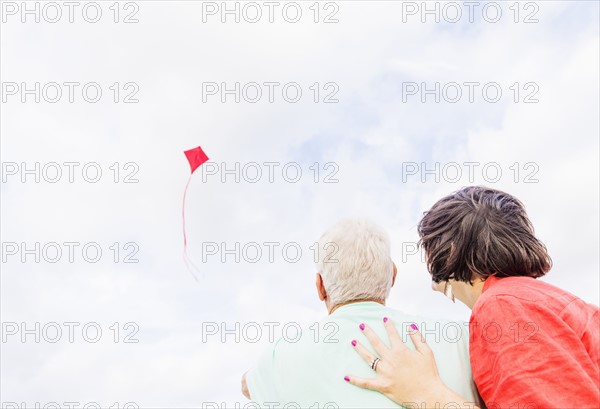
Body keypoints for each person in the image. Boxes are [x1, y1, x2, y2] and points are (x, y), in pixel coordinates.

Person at [346, 186, 600, 409]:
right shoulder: (547, 300)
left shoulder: (503, 305)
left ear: (450, 251)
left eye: (430, 246)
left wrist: (426, 392)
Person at [242, 218, 478, 407]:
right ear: (392, 275)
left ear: (320, 287)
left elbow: (247, 385)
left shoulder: (279, 358)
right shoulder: (464, 338)